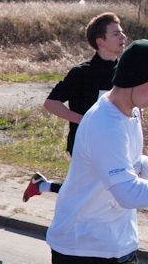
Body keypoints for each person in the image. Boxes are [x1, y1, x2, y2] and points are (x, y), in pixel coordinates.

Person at [0, 40, 148, 264]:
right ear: (137, 81)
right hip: (81, 240)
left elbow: (132, 166)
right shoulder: (104, 124)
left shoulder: (130, 114)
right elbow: (129, 192)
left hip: (115, 236)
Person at [23, 12, 127, 202]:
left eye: (121, 33)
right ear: (100, 42)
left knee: (95, 191)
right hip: (84, 143)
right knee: (96, 191)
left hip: (115, 141)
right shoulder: (82, 73)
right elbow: (51, 103)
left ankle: (41, 185)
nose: (122, 37)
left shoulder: (124, 72)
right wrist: (85, 120)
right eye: (115, 34)